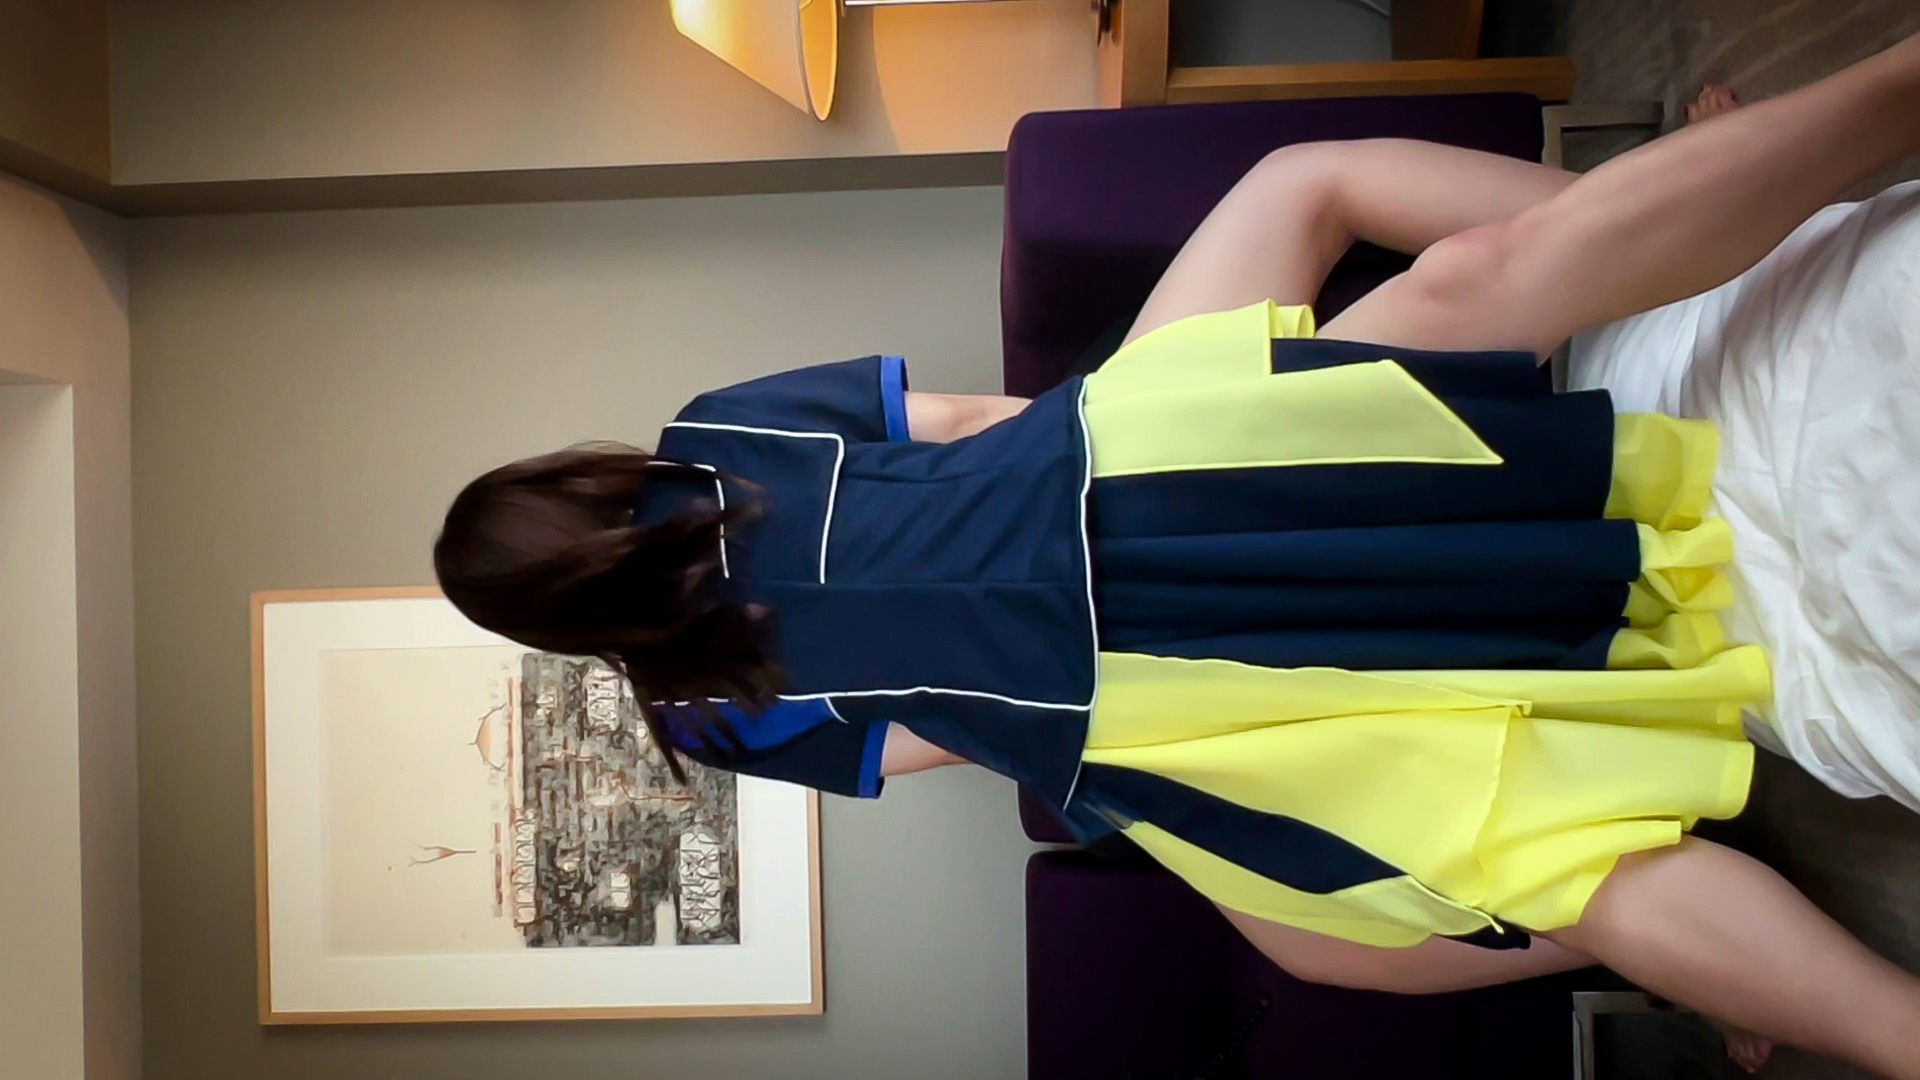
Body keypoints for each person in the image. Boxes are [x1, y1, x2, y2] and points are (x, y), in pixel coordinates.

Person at [435, 35, 1920, 1078]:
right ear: (576, 483)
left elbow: (946, 737)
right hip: (1103, 471)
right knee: (1359, 214)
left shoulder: (704, 711)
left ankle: (1868, 1026)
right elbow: (975, 425)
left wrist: (1187, 690)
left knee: (1456, 896)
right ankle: (1766, 168)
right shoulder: (713, 443)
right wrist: (1217, 432)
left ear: (561, 631)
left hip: (1119, 707)